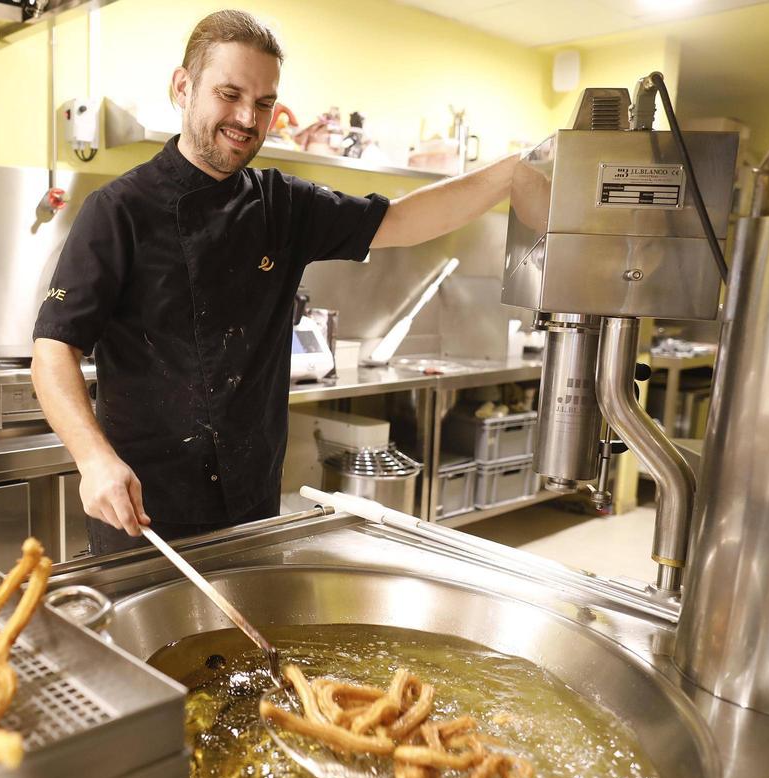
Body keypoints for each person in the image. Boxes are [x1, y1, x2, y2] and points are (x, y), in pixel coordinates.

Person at [32, 9, 521, 555]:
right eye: (230, 93)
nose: (247, 117)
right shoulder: (118, 209)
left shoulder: (283, 205)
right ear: (183, 86)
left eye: (264, 102)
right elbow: (53, 349)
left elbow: (403, 221)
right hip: (144, 507)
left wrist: (509, 173)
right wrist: (92, 458)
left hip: (251, 500)